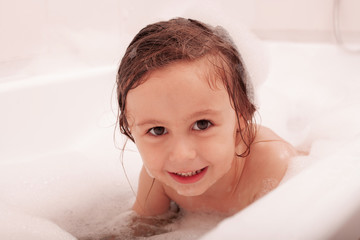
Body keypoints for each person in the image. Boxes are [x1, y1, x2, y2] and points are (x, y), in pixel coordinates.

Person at [116, 17, 297, 221]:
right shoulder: (159, 175)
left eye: (202, 124)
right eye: (158, 130)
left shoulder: (272, 167)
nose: (181, 155)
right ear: (129, 128)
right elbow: (141, 227)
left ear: (242, 116)